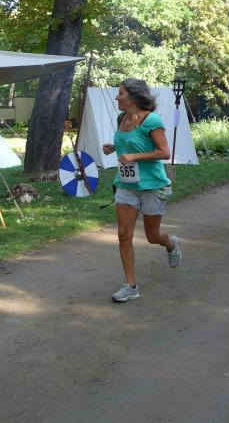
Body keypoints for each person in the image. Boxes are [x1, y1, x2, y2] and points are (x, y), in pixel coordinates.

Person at [101, 78, 181, 303]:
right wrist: (115, 147)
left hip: (152, 185)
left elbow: (164, 152)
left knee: (152, 236)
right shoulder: (122, 118)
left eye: (121, 93)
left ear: (134, 97)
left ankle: (171, 243)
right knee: (123, 235)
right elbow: (130, 143)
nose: (117, 97)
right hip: (126, 185)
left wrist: (134, 156)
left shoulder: (151, 120)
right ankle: (130, 286)